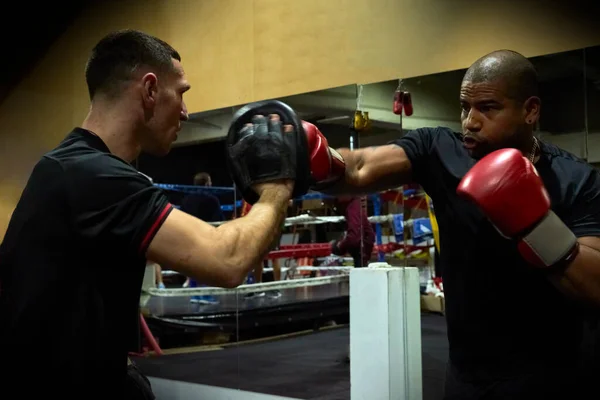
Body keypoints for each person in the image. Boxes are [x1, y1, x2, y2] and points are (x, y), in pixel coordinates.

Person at [0, 29, 293, 398]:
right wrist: (278, 188)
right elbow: (228, 259)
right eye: (182, 94)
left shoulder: (73, 167)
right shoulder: (91, 176)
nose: (186, 112)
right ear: (150, 90)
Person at [299, 50, 600, 399]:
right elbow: (359, 166)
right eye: (464, 107)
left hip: (556, 375)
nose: (470, 121)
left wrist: (533, 224)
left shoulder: (576, 179)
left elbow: (595, 287)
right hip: (466, 375)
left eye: (487, 108)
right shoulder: (438, 150)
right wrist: (310, 160)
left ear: (530, 110)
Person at [179, 171, 224, 303]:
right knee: (207, 266)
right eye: (209, 182)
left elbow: (180, 217)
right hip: (206, 236)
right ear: (206, 184)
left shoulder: (186, 199)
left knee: (193, 265)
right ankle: (206, 295)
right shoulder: (212, 199)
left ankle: (195, 295)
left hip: (190, 236)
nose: (211, 185)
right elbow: (219, 220)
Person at [240, 199, 283, 299]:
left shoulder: (267, 192)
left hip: (270, 227)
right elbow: (244, 215)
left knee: (274, 257)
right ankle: (258, 287)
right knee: (257, 259)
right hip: (255, 229)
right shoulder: (248, 197)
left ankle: (277, 287)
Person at [330, 196, 375, 268]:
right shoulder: (353, 206)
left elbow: (355, 236)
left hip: (361, 251)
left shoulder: (352, 208)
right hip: (362, 251)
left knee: (360, 274)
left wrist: (340, 246)